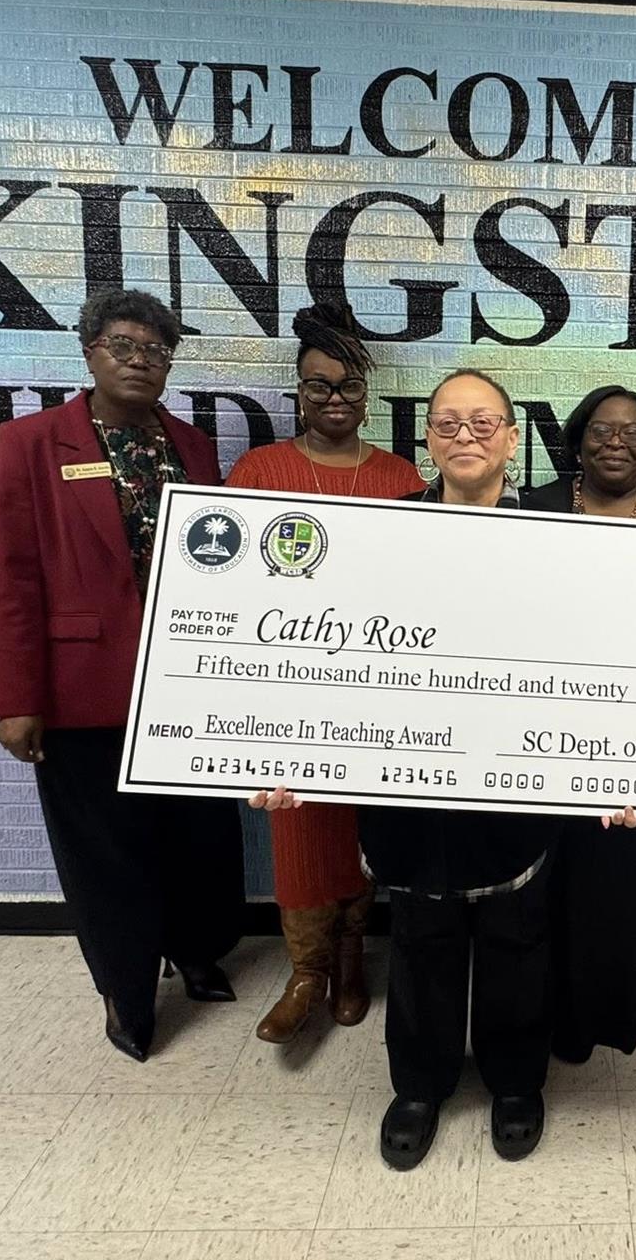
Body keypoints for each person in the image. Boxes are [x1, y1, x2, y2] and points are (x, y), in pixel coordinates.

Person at [256, 370, 580, 1170]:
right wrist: (288, 753)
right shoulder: (381, 534)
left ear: (513, 438)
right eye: (448, 423)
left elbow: (595, 660)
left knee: (517, 939)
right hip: (411, 787)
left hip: (516, 784)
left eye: (483, 422)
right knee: (422, 937)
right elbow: (331, 653)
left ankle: (514, 1079)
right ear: (428, 439)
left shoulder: (561, 539)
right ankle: (420, 1082)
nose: (465, 435)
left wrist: (627, 773)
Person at [0, 288, 243, 1063]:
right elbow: (13, 578)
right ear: (89, 350)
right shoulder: (32, 443)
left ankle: (196, 951)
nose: (140, 361)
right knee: (106, 847)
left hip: (186, 679)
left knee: (196, 833)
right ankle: (125, 986)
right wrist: (18, 698)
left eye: (156, 350)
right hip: (82, 687)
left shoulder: (192, 447)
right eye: (123, 345)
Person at [226, 306, 423, 1046]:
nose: (335, 399)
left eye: (348, 386)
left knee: (364, 822)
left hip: (379, 692)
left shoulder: (401, 478)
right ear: (299, 392)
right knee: (301, 822)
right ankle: (306, 971)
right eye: (319, 385)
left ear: (366, 394)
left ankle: (351, 958)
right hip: (290, 691)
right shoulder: (260, 472)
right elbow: (230, 585)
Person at [523, 385, 636, 1060]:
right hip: (558, 726)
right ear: (577, 440)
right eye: (601, 430)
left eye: (632, 431)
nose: (616, 442)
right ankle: (568, 1013)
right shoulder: (537, 507)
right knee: (569, 873)